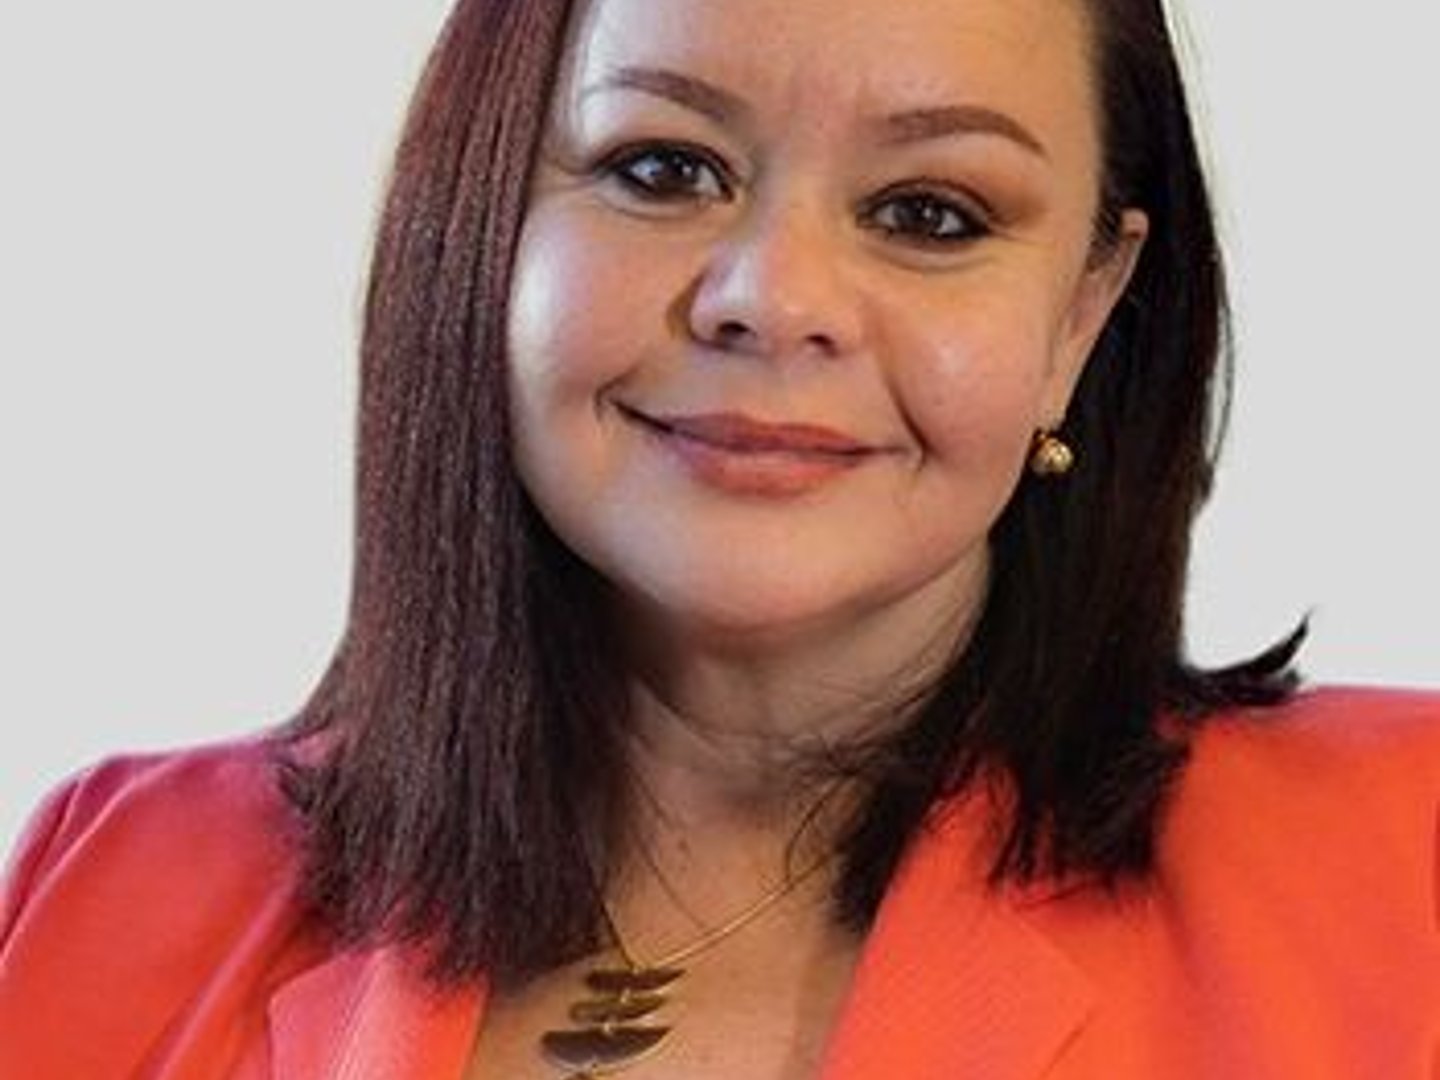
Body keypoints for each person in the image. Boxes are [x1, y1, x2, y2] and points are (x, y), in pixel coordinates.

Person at [2, 0, 1437, 1076]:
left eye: (929, 213)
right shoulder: (103, 886)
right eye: (663, 169)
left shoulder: (1406, 856)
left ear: (1082, 313)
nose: (773, 298)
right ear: (483, 225)